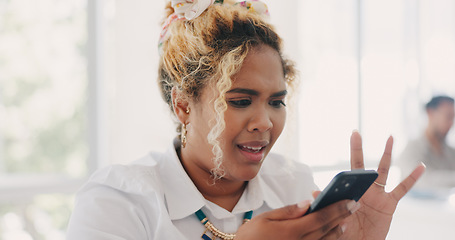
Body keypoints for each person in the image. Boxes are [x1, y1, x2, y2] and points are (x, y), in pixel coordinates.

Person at [66, 0, 425, 239]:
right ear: (183, 105)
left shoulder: (293, 185)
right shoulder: (119, 200)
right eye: (240, 100)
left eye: (276, 102)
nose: (265, 122)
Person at [399, 95, 455, 191]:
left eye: (453, 118)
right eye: (448, 116)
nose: (451, 123)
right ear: (430, 113)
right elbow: (423, 181)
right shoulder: (412, 149)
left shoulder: (451, 152)